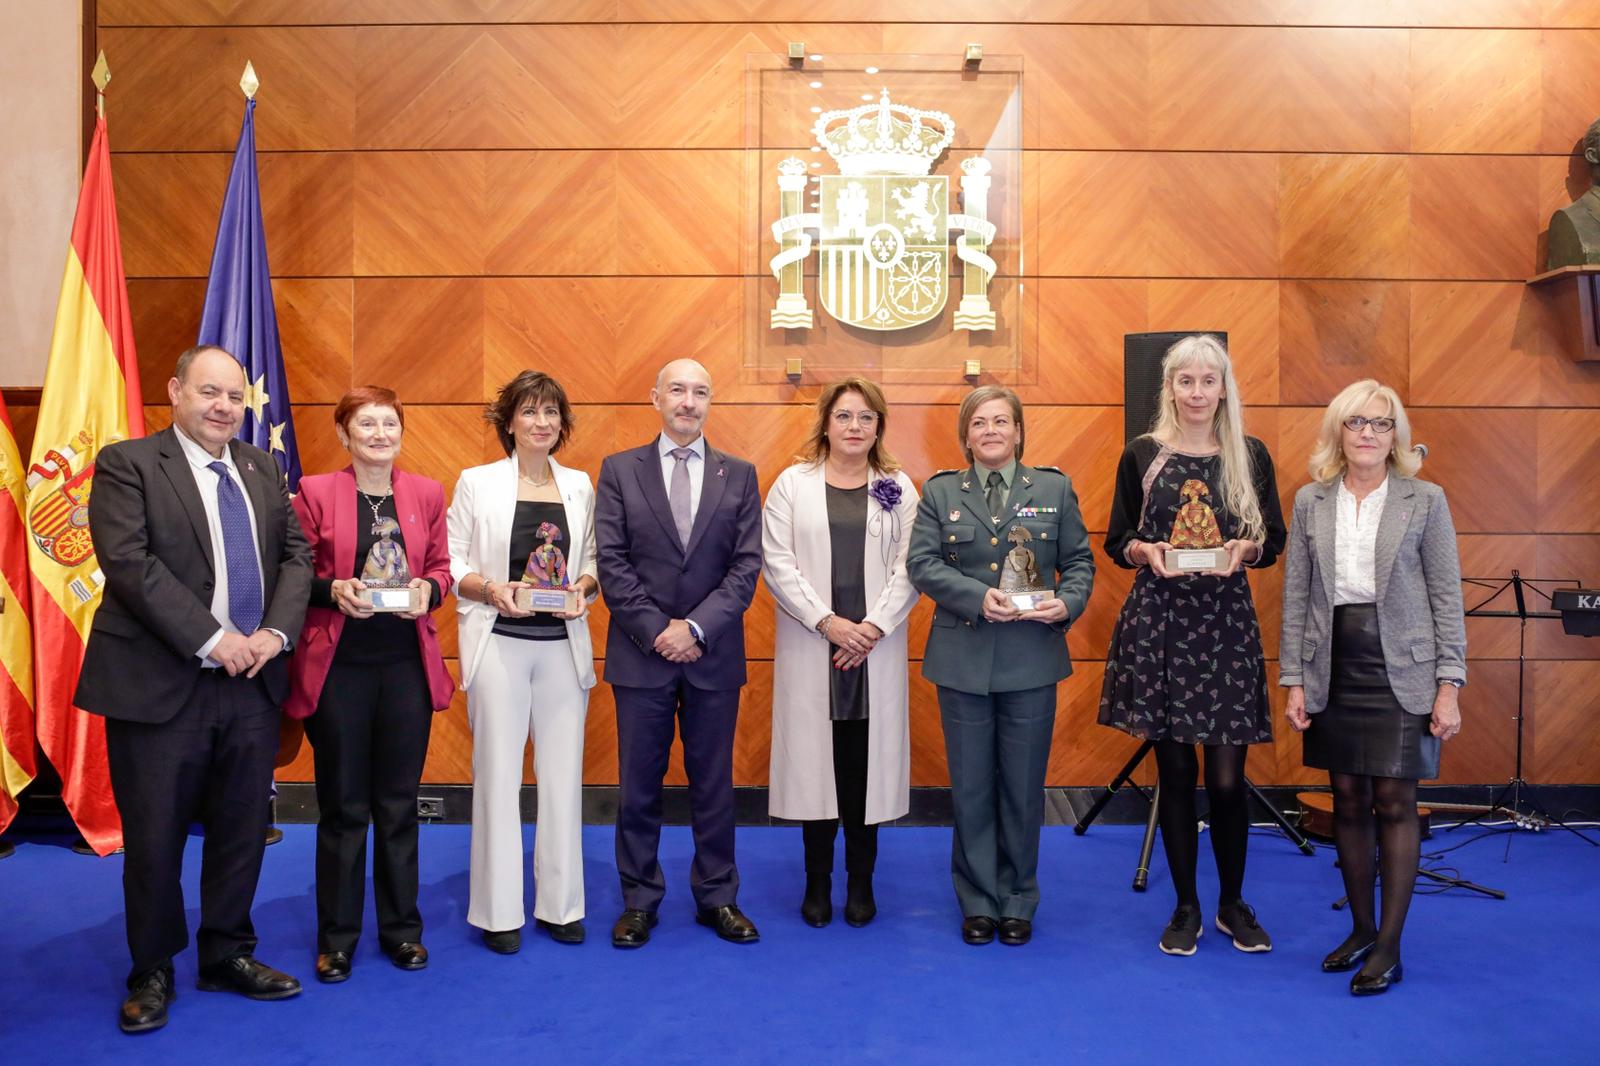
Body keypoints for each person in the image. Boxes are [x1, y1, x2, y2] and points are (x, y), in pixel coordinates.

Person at [76, 344, 312, 1033]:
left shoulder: (262, 467)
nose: (223, 407)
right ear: (175, 391)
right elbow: (128, 563)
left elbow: (297, 558)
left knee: (242, 831)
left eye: (235, 397)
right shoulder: (129, 465)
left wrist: (272, 636)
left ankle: (226, 955)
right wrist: (215, 638)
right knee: (154, 838)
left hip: (250, 685)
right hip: (161, 684)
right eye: (209, 392)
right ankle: (151, 969)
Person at [1098, 335, 1286, 957]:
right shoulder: (1142, 454)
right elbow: (1118, 537)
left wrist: (1247, 549)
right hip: (1162, 621)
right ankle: (1186, 906)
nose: (1198, 392)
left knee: (1228, 780)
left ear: (1224, 388)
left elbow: (1274, 538)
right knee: (1176, 774)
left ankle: (1233, 902)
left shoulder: (1249, 455)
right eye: (1186, 381)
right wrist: (1146, 552)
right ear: (1170, 388)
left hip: (1228, 624)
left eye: (1210, 381)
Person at [1281, 379, 1465, 996]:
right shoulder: (1311, 499)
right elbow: (1298, 598)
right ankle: (1360, 928)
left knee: (1395, 802)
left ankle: (1389, 945)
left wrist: (1449, 684)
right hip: (1334, 661)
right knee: (1349, 803)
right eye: (1356, 422)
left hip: (1402, 670)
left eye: (1381, 424)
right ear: (1339, 430)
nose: (1367, 433)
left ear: (1396, 436)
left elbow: (1447, 599)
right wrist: (1294, 679)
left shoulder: (1426, 499)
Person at [906, 385, 1094, 946]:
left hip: (1032, 658)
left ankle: (1018, 899)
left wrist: (1070, 602)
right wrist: (970, 594)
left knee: (1022, 785)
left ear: (1018, 431)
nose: (990, 431)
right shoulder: (941, 492)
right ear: (966, 436)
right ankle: (978, 899)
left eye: (1001, 421)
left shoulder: (1054, 488)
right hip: (963, 655)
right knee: (969, 786)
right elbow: (922, 562)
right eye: (979, 423)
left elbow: (1080, 560)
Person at [286, 387, 455, 983]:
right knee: (343, 806)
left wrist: (428, 593)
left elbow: (441, 568)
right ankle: (337, 939)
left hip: (406, 668)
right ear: (344, 434)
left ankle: (402, 931)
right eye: (367, 424)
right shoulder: (314, 493)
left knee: (398, 805)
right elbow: (294, 570)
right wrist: (334, 589)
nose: (380, 434)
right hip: (339, 671)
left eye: (390, 422)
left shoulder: (426, 493)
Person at [596, 358, 763, 948]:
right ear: (655, 398)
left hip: (712, 655)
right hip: (641, 655)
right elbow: (611, 563)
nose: (688, 402)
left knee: (713, 783)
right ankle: (639, 899)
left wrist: (694, 629)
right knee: (638, 786)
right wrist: (657, 629)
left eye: (700, 392)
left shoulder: (739, 475)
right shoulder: (619, 470)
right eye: (677, 390)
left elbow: (746, 568)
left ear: (710, 402)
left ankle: (718, 896)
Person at [447, 371, 599, 953]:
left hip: (562, 648)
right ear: (508, 421)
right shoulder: (476, 482)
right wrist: (490, 589)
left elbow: (592, 562)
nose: (542, 422)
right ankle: (498, 911)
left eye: (551, 413)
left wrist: (582, 587)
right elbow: (452, 559)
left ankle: (561, 906)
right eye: (530, 412)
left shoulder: (581, 485)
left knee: (563, 780)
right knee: (498, 779)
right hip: (499, 645)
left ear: (563, 424)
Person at [762, 378, 920, 928]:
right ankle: (817, 882)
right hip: (816, 645)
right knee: (816, 768)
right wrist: (828, 623)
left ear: (879, 427)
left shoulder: (897, 486)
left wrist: (870, 628)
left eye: (867, 418)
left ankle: (860, 882)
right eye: (845, 416)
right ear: (825, 422)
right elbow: (777, 564)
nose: (855, 427)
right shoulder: (791, 484)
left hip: (871, 650)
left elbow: (910, 565)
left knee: (861, 768)